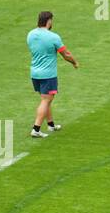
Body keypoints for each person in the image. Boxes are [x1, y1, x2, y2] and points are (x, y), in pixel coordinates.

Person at [27, 11, 78, 139]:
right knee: (46, 100)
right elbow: (65, 54)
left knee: (46, 99)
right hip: (48, 74)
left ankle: (51, 125)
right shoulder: (53, 37)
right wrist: (75, 62)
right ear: (49, 21)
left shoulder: (31, 34)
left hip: (35, 73)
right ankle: (36, 129)